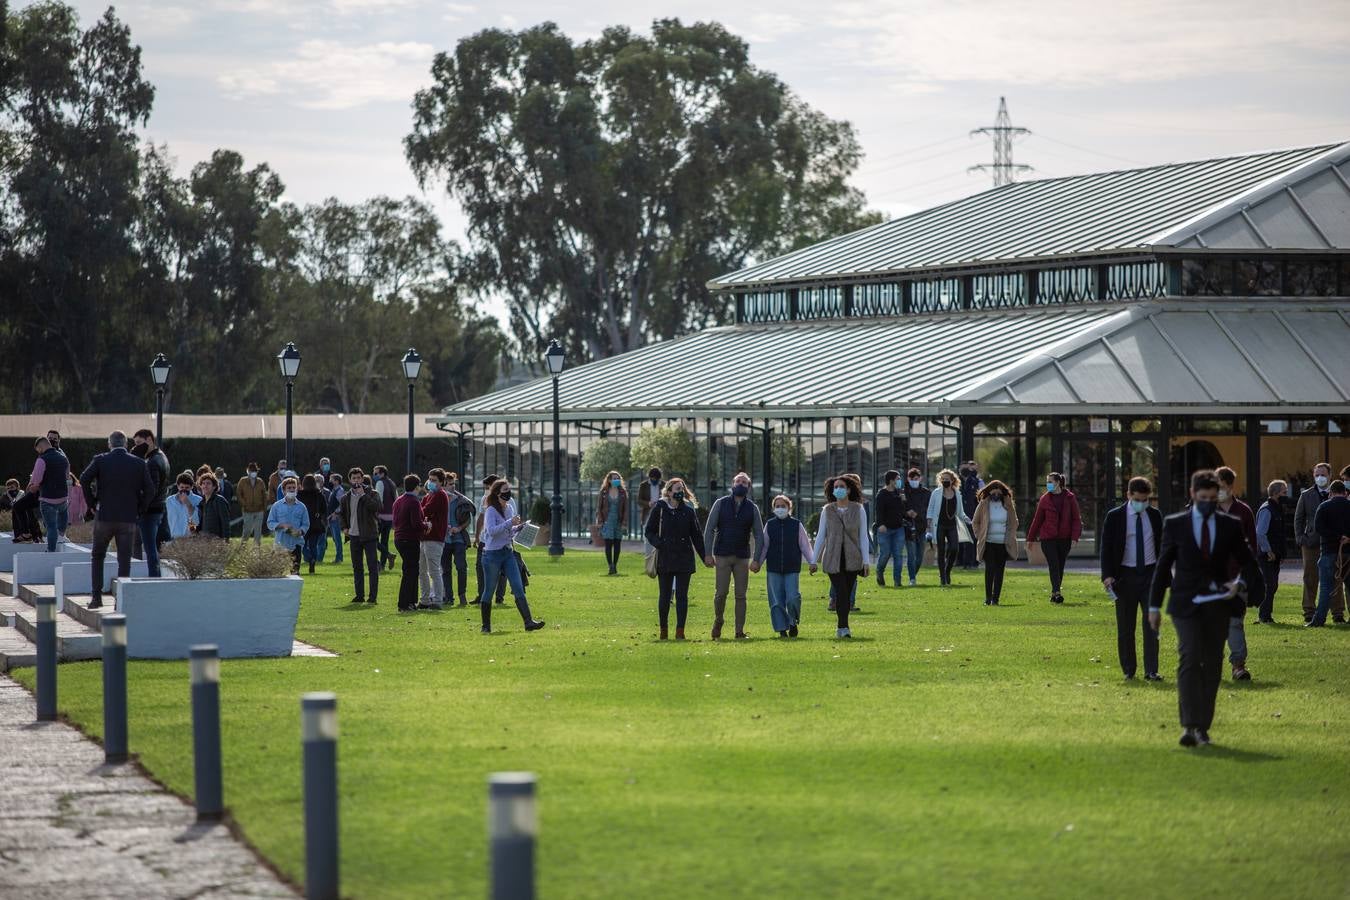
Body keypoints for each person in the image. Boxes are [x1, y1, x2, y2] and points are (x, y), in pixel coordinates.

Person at [1149, 469, 1263, 747]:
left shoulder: (1229, 525)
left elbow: (1248, 562)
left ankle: (1203, 727)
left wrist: (1238, 584)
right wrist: (1154, 606)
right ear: (1192, 495)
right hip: (1185, 603)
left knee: (1212, 664)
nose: (1208, 502)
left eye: (1213, 498)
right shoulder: (1176, 524)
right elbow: (1163, 565)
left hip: (1218, 604)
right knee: (1189, 658)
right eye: (1203, 498)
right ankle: (1189, 726)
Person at [79, 431, 155, 609]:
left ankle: (96, 598)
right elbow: (150, 490)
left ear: (109, 444)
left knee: (98, 556)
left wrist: (92, 502)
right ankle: (120, 600)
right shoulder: (138, 463)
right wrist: (139, 509)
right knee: (124, 559)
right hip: (128, 518)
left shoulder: (100, 460)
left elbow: (83, 478)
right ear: (126, 444)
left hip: (104, 515)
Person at [1100, 477, 1163, 681]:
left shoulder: (1154, 516)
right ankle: (1129, 670)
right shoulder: (1115, 517)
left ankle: (1151, 670)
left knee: (1151, 625)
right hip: (1124, 578)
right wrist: (1107, 575)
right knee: (1126, 628)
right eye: (1138, 499)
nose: (1142, 503)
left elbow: (1162, 545)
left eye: (1145, 500)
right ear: (1128, 495)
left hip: (1150, 576)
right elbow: (1106, 549)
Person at [702, 471, 767, 640]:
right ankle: (718, 620)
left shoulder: (752, 508)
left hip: (742, 557)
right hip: (722, 555)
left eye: (744, 482)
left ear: (748, 487)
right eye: (738, 481)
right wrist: (707, 554)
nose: (740, 484)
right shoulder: (720, 503)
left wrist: (757, 559)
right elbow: (709, 529)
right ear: (732, 484)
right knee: (721, 593)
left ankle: (739, 631)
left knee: (741, 595)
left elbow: (759, 535)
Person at [477, 479, 545, 633]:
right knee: (489, 590)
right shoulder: (491, 511)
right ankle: (485, 626)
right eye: (505, 490)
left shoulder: (508, 509)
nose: (508, 492)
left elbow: (509, 531)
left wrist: (519, 527)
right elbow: (491, 531)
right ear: (497, 493)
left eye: (509, 489)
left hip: (507, 553)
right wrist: (510, 523)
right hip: (492, 555)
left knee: (518, 587)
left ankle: (529, 622)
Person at [645, 477, 707, 640]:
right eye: (677, 489)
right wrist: (659, 543)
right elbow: (649, 531)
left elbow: (697, 536)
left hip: (684, 558)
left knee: (682, 596)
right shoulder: (660, 508)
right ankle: (663, 630)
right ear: (669, 491)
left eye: (682, 489)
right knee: (664, 596)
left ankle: (680, 631)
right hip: (665, 557)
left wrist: (705, 557)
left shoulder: (688, 510)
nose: (680, 492)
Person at [813, 473, 869, 639]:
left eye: (842, 487)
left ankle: (843, 626)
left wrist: (866, 561)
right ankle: (842, 627)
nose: (838, 489)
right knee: (841, 591)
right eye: (836, 487)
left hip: (852, 558)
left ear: (849, 490)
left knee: (846, 591)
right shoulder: (827, 510)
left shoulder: (858, 509)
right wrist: (813, 559)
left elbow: (863, 536)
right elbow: (821, 535)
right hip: (833, 557)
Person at [1215, 467, 1256, 680]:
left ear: (1231, 486)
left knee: (1235, 622)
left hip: (1236, 577)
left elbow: (1252, 547)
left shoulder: (1244, 512)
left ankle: (1238, 665)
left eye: (1221, 486)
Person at [1294, 462, 1343, 623]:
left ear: (1330, 476)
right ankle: (1309, 610)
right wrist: (1301, 538)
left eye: (1323, 474)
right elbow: (1298, 519)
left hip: (1333, 543)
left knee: (1336, 577)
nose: (1320, 478)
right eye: (1317, 475)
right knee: (1310, 577)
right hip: (1311, 543)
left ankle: (1337, 613)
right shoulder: (1306, 495)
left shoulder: (1340, 494)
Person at [763, 494, 815, 638]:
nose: (780, 509)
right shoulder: (769, 525)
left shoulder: (796, 525)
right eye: (777, 506)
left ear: (789, 508)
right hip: (773, 568)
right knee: (776, 601)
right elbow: (764, 547)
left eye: (783, 506)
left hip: (792, 567)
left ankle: (793, 622)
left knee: (793, 597)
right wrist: (757, 562)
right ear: (774, 508)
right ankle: (781, 629)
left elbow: (805, 545)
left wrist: (812, 562)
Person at [1026, 472, 1082, 604]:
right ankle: (1057, 592)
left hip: (1065, 538)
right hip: (1048, 538)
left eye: (1050, 481)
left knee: (1060, 566)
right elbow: (1037, 520)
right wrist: (1030, 539)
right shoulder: (1045, 499)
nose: (1048, 484)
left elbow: (1076, 519)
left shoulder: (1070, 498)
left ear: (1058, 482)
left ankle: (1054, 593)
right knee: (1054, 564)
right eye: (1047, 481)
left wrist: (1075, 537)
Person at [1308, 479, 1350, 628]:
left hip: (1329, 552)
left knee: (1326, 587)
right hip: (1348, 553)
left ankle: (1319, 620)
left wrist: (1337, 537)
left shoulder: (1324, 507)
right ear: (1345, 493)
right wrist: (1346, 538)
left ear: (1331, 493)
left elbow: (1319, 528)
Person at [972, 479, 1020, 606]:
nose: (996, 495)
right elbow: (975, 522)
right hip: (988, 542)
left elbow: (1014, 521)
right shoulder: (983, 504)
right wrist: (979, 535)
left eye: (999, 493)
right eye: (993, 493)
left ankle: (996, 598)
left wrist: (1010, 535)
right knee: (990, 569)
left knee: (1000, 571)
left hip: (1003, 543)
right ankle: (988, 598)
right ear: (989, 492)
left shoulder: (1008, 504)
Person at [130, 430, 171, 575]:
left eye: (139, 443)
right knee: (151, 548)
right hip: (158, 509)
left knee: (150, 549)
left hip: (150, 511)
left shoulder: (152, 461)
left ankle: (154, 579)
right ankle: (154, 577)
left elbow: (151, 490)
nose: (137, 447)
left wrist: (141, 509)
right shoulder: (161, 457)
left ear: (149, 440)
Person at [925, 469, 972, 587]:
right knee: (941, 551)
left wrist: (969, 520)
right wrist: (928, 527)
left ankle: (947, 571)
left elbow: (961, 513)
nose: (945, 481)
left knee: (954, 549)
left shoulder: (957, 494)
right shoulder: (936, 493)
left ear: (952, 481)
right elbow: (930, 510)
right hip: (939, 525)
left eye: (947, 479)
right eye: (943, 479)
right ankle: (942, 577)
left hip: (952, 525)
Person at [341, 469, 381, 604]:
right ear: (350, 480)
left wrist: (363, 495)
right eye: (354, 478)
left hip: (369, 535)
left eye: (359, 478)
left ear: (362, 479)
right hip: (354, 536)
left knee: (372, 567)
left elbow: (376, 507)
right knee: (357, 567)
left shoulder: (372, 493)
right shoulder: (346, 497)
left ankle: (372, 597)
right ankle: (359, 595)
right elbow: (343, 514)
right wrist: (344, 527)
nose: (356, 480)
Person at [27, 436, 69, 551]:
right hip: (63, 497)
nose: (39, 452)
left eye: (38, 450)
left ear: (41, 446)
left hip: (47, 498)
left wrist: (31, 488)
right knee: (63, 513)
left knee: (51, 527)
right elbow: (66, 476)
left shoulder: (42, 459)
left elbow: (36, 481)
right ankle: (62, 534)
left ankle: (51, 550)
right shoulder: (63, 458)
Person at [392, 474, 427, 610]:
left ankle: (411, 601)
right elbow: (416, 523)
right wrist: (426, 526)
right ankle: (405, 603)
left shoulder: (399, 500)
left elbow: (395, 522)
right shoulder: (413, 501)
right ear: (416, 486)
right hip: (410, 539)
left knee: (411, 570)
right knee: (410, 571)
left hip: (399, 538)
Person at [1254, 480, 1286, 624]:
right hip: (1267, 555)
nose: (1286, 495)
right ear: (1275, 493)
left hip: (1274, 554)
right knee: (1269, 585)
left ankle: (1265, 615)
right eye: (1284, 492)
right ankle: (1264, 616)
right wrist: (1268, 551)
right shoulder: (1267, 509)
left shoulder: (1277, 508)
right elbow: (1260, 533)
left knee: (1272, 585)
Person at [474, 474, 508, 606]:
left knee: (502, 569)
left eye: (489, 487)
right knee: (480, 566)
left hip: (501, 541)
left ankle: (500, 596)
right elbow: (481, 518)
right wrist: (477, 536)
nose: (487, 490)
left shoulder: (509, 502)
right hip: (485, 540)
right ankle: (481, 594)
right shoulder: (485, 499)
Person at [419, 468, 449, 609]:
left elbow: (424, 510)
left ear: (441, 482)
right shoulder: (430, 495)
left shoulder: (440, 495)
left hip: (434, 538)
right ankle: (425, 599)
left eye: (434, 480)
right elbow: (422, 507)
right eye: (430, 479)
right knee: (422, 570)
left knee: (434, 571)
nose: (431, 482)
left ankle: (437, 600)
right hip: (425, 537)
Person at [442, 471, 473, 607]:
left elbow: (468, 519)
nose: (453, 487)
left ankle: (462, 595)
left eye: (454, 484)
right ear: (443, 485)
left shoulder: (461, 500)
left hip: (459, 539)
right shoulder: (439, 499)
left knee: (461, 567)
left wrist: (459, 528)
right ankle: (449, 597)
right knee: (446, 570)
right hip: (444, 539)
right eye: (450, 484)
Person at [267, 476, 309, 574]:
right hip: (280, 543)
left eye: (293, 488)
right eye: (289, 488)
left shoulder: (302, 507)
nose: (291, 490)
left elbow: (306, 524)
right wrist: (281, 525)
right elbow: (270, 522)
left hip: (296, 543)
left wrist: (301, 531)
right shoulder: (276, 506)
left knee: (295, 573)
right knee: (278, 572)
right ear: (283, 490)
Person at [874, 470, 907, 588]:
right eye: (897, 479)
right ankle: (879, 571)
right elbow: (878, 511)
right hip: (885, 530)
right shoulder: (881, 494)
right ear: (891, 480)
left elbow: (903, 512)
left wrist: (903, 501)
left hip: (898, 528)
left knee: (898, 555)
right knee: (885, 554)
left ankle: (897, 581)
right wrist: (881, 524)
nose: (899, 481)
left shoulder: (899, 493)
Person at [596, 470, 629, 575]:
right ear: (609, 480)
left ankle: (615, 565)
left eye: (618, 478)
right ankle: (610, 565)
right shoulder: (604, 492)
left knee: (617, 543)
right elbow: (599, 508)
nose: (616, 480)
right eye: (614, 478)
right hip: (608, 521)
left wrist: (624, 522)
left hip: (618, 521)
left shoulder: (623, 492)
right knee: (608, 544)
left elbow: (626, 509)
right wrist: (600, 521)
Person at [901, 468, 929, 586]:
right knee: (911, 555)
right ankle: (912, 578)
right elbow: (900, 508)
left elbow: (927, 508)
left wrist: (917, 513)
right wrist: (907, 512)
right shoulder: (903, 492)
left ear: (920, 478)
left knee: (920, 556)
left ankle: (913, 575)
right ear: (908, 478)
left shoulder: (926, 492)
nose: (914, 481)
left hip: (921, 527)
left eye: (916, 479)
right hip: (908, 528)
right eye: (912, 479)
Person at [371, 465, 397, 571]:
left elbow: (379, 500)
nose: (374, 475)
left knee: (373, 540)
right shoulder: (391, 483)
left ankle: (388, 555)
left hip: (381, 516)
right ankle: (382, 565)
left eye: (376, 473)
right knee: (384, 541)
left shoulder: (380, 483)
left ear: (382, 473)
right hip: (390, 517)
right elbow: (396, 498)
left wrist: (375, 513)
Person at [237, 462, 269, 546]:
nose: (253, 472)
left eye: (255, 471)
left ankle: (257, 550)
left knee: (258, 531)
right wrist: (244, 504)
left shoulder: (260, 481)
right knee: (247, 530)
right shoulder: (242, 481)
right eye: (252, 471)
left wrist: (264, 507)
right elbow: (239, 494)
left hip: (259, 510)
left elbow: (264, 495)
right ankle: (242, 546)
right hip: (247, 510)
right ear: (248, 471)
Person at [959, 461, 983, 570]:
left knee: (972, 538)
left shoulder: (974, 482)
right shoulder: (960, 483)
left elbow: (977, 499)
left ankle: (972, 561)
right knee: (966, 539)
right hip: (964, 513)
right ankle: (966, 562)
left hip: (971, 514)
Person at [165, 473, 202, 540]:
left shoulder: (198, 500)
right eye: (182, 487)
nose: (184, 490)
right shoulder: (169, 501)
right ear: (178, 486)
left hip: (190, 539)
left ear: (191, 487)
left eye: (187, 488)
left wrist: (188, 504)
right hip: (172, 539)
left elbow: (196, 522)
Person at [196, 472, 232, 540]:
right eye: (203, 483)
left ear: (214, 486)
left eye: (208, 483)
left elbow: (225, 524)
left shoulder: (219, 501)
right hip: (204, 542)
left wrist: (225, 541)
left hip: (216, 542)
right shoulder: (201, 503)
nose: (205, 486)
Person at [637, 468, 664, 540]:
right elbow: (639, 500)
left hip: (661, 513)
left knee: (661, 535)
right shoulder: (643, 485)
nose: (654, 480)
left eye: (656, 479)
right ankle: (648, 551)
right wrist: (648, 503)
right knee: (648, 537)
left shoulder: (664, 485)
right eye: (652, 478)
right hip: (648, 513)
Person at [325, 473, 345, 565]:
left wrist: (335, 513)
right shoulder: (334, 490)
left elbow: (342, 504)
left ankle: (339, 558)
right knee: (335, 538)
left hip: (335, 517)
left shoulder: (340, 491)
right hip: (331, 517)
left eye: (331, 479)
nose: (330, 481)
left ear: (336, 481)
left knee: (337, 538)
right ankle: (338, 557)